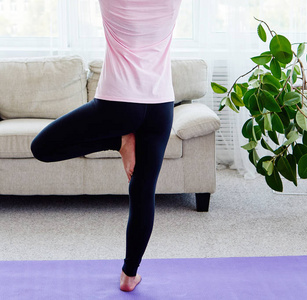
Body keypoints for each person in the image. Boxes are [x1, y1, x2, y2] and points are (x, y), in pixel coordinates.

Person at [31, 0, 183, 292]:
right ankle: (129, 275)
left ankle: (118, 138)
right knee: (143, 191)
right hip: (160, 105)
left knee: (42, 147)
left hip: (118, 103)